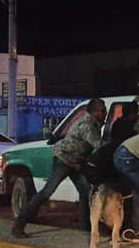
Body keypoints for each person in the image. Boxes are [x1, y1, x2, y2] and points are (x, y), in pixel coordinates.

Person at [11, 98, 107, 238]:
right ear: (96, 112)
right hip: (64, 160)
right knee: (46, 193)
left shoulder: (92, 122)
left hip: (75, 161)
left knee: (85, 191)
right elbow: (99, 145)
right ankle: (18, 225)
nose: (105, 113)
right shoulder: (88, 126)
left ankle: (86, 227)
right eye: (103, 110)